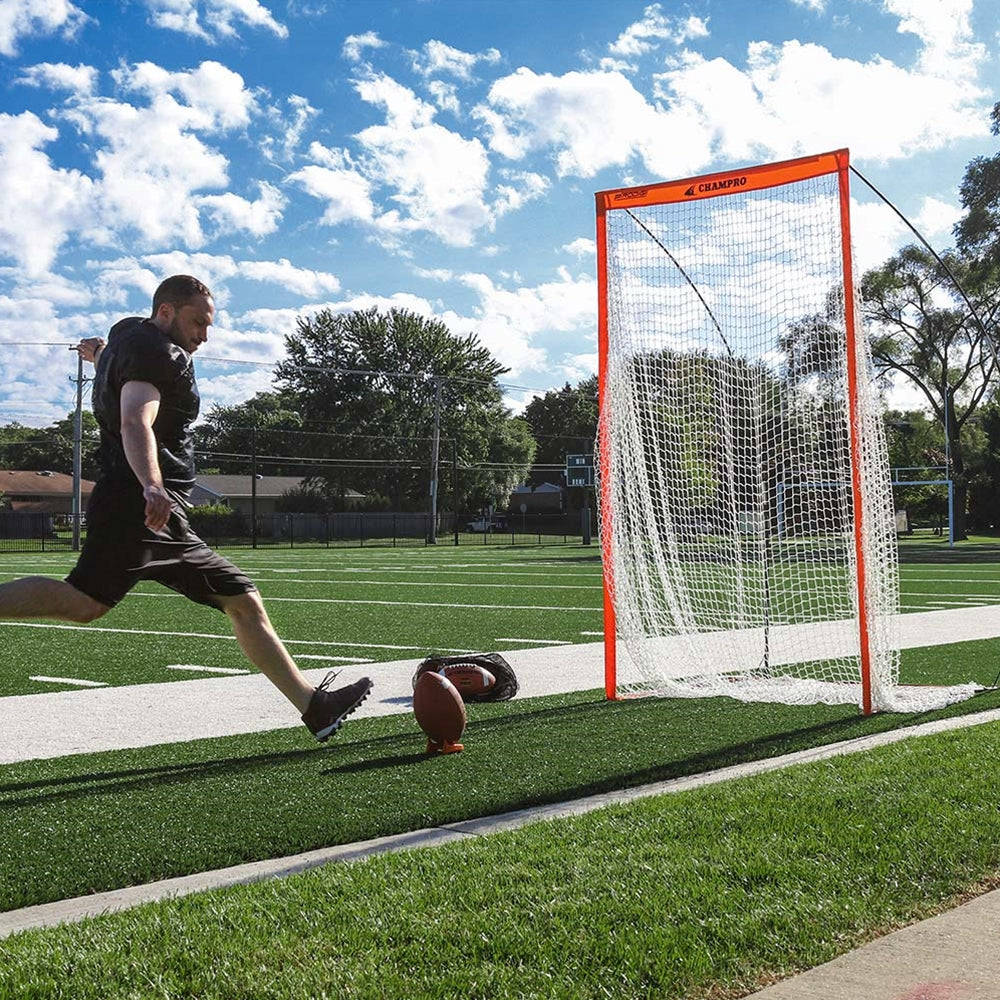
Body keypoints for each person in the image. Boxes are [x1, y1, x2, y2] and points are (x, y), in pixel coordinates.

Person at [0, 274, 372, 741]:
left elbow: (120, 372)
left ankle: (314, 707)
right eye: (197, 322)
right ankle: (312, 705)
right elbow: (136, 419)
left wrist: (98, 356)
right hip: (141, 505)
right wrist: (153, 485)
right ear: (166, 313)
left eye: (209, 325)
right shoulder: (159, 355)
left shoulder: (126, 341)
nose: (204, 335)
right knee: (84, 602)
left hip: (152, 507)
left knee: (241, 599)